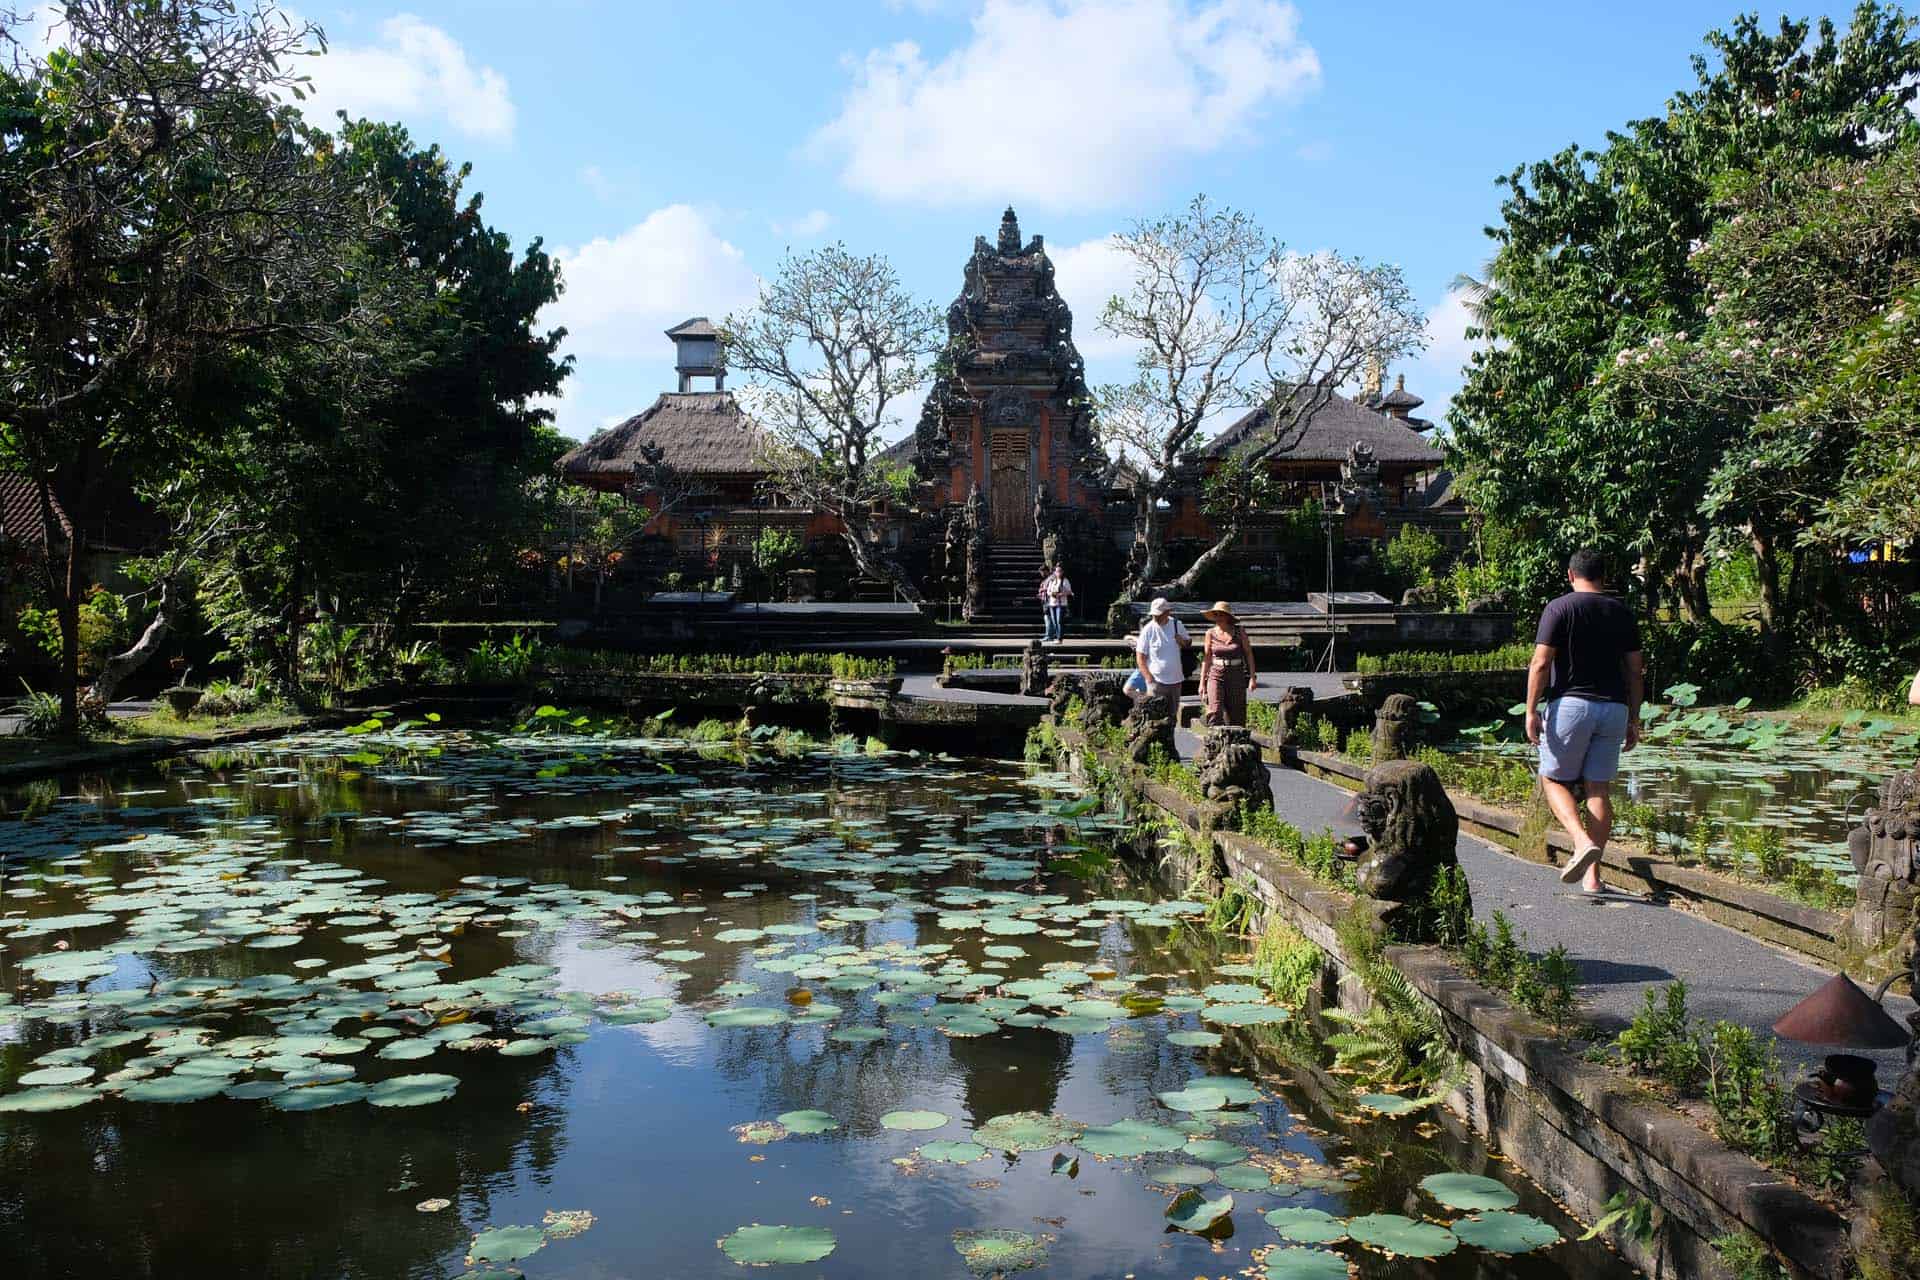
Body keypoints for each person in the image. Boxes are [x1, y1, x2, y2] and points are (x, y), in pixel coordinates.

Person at [1525, 548, 1644, 895]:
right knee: (1598, 789)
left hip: (1572, 705)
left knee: (1552, 778)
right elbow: (1636, 671)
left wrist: (1531, 710)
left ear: (1570, 575)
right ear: (1603, 577)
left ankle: (1579, 841)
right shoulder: (1622, 612)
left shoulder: (1559, 607)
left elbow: (1541, 664)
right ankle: (1592, 878)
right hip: (1614, 707)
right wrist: (1634, 718)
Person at [1198, 600, 1257, 727]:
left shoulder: (1239, 631)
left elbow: (1249, 654)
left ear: (1228, 616)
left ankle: (1236, 743)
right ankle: (1214, 743)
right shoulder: (1210, 633)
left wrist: (1252, 677)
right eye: (1216, 614)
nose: (1218, 617)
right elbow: (1206, 658)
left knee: (1237, 713)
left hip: (1236, 673)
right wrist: (1202, 683)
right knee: (1215, 710)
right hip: (1216, 673)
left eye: (1221, 614)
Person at [1133, 597, 1190, 701]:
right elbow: (1140, 657)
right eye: (1154, 615)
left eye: (1158, 615)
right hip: (1156, 681)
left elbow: (1188, 643)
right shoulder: (1148, 629)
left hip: (1176, 680)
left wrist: (1182, 641)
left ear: (1167, 612)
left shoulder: (1177, 624)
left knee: (1173, 713)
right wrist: (1149, 679)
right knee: (1155, 715)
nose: (1155, 618)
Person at [1039, 564, 1073, 643]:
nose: (1058, 573)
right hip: (1052, 603)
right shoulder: (1052, 580)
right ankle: (1056, 636)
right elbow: (1048, 591)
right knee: (1054, 621)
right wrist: (1052, 594)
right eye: (1057, 571)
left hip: (1061, 604)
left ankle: (1059, 638)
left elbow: (1069, 591)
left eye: (1060, 571)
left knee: (1059, 621)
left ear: (1062, 572)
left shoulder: (1065, 580)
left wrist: (1060, 594)